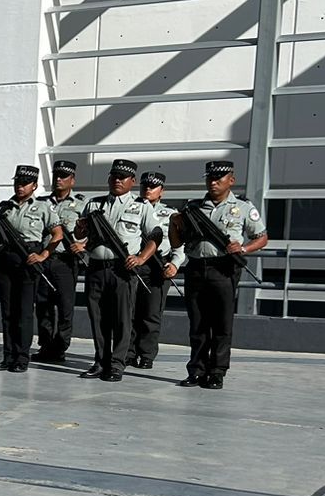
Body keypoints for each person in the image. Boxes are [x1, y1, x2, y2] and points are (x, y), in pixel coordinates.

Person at [169, 159, 268, 390]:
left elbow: (261, 237)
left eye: (218, 179)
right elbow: (177, 242)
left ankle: (217, 371)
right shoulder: (193, 208)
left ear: (230, 180)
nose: (212, 182)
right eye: (209, 178)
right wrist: (173, 226)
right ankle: (196, 370)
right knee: (198, 322)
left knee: (222, 323)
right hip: (195, 267)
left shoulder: (243, 207)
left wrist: (243, 249)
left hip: (223, 268)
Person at [74, 158, 162, 382]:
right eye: (114, 176)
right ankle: (100, 361)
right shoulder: (94, 204)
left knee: (122, 319)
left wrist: (141, 258)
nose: (117, 181)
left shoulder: (140, 207)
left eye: (122, 177)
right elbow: (81, 235)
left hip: (121, 269)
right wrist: (80, 230)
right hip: (95, 268)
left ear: (132, 181)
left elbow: (156, 235)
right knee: (98, 318)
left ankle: (116, 363)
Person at [0, 165, 61, 372]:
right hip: (6, 259)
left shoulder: (43, 207)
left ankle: (21, 357)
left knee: (24, 312)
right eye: (18, 182)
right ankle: (8, 355)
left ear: (34, 186)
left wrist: (44, 254)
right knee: (8, 312)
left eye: (25, 183)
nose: (20, 186)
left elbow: (57, 234)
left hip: (28, 259)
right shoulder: (5, 207)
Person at [129, 170, 183, 369]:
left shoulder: (171, 214)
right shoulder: (130, 207)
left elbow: (179, 246)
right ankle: (128, 352)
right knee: (131, 311)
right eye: (145, 186)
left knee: (151, 314)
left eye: (153, 187)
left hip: (158, 267)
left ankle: (146, 354)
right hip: (134, 264)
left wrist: (175, 264)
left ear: (162, 191)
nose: (148, 189)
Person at [34, 159, 86, 362]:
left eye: (64, 176)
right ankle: (45, 346)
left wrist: (84, 245)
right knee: (43, 305)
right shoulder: (41, 203)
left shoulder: (81, 205)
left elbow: (94, 229)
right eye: (56, 175)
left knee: (65, 307)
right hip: (44, 257)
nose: (59, 180)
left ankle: (60, 346)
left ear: (72, 180)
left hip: (65, 261)